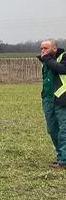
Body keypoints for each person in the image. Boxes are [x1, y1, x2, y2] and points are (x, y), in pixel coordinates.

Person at [39, 39, 66, 169]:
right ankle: (60, 156)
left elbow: (62, 69)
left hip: (62, 99)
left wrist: (48, 60)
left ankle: (64, 160)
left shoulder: (63, 57)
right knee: (52, 130)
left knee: (63, 130)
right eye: (41, 48)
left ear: (54, 48)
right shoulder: (45, 62)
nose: (42, 50)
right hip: (48, 99)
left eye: (46, 48)